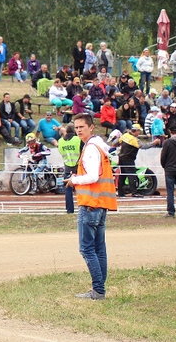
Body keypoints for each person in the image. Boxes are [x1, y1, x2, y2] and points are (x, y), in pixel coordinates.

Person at [64, 113, 118, 300]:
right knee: (99, 248)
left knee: (87, 249)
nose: (78, 130)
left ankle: (98, 290)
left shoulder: (91, 149)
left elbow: (93, 176)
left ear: (91, 127)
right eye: (76, 127)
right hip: (101, 204)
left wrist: (74, 180)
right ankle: (100, 288)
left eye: (82, 127)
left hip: (91, 204)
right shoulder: (100, 146)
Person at [58, 124, 82, 213]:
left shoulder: (60, 141)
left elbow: (61, 151)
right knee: (81, 187)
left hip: (67, 166)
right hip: (78, 166)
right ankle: (83, 207)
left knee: (68, 189)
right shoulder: (77, 139)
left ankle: (69, 209)